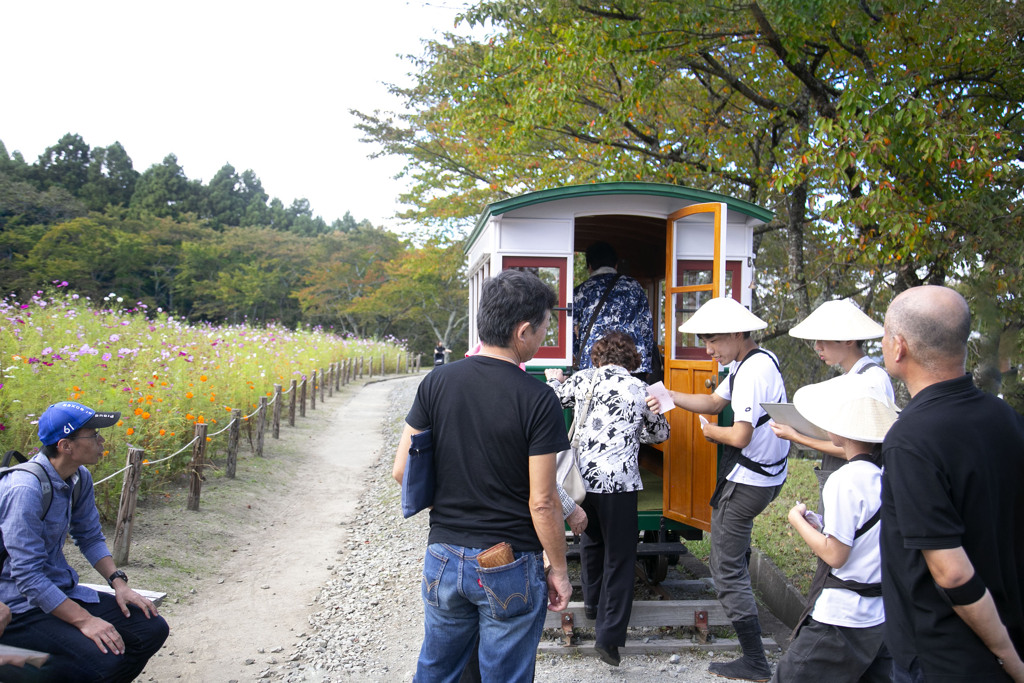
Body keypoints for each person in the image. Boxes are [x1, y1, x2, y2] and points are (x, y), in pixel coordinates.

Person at [392, 269, 572, 683]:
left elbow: (402, 470)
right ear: (523, 331)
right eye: (545, 329)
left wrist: (455, 508)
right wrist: (559, 570)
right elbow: (543, 501)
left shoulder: (437, 381)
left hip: (442, 554)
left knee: (437, 670)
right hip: (509, 561)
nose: (544, 338)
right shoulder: (538, 399)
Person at [880, 285, 1024, 682]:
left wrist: (1006, 654)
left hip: (944, 656)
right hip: (1009, 626)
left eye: (884, 334)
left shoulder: (910, 439)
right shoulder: (1005, 418)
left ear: (899, 346)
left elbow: (952, 572)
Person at [648, 297, 788, 682]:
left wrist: (711, 433)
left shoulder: (751, 372)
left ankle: (754, 659)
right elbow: (712, 400)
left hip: (747, 481)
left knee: (724, 567)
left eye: (713, 340)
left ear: (738, 333)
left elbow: (739, 435)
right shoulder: (756, 361)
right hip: (768, 476)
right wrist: (672, 397)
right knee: (734, 557)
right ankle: (753, 647)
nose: (708, 349)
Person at [0, 401, 169, 682]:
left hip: (58, 591)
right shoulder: (25, 489)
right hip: (17, 604)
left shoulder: (79, 477)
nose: (102, 441)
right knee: (100, 658)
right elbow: (27, 576)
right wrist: (86, 621)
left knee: (150, 628)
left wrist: (119, 583)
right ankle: (10, 663)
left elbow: (89, 536)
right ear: (66, 445)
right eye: (94, 435)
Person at [544, 331, 669, 667]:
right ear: (632, 360)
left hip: (582, 482)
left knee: (591, 540)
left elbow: (554, 397)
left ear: (597, 356)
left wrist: (555, 378)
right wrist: (639, 425)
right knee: (621, 557)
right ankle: (609, 638)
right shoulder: (642, 390)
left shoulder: (583, 379)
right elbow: (659, 434)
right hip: (620, 484)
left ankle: (591, 603)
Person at [772, 373, 897, 682]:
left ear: (843, 428)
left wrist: (797, 521)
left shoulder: (844, 479)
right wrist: (822, 525)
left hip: (843, 619)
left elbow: (836, 554)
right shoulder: (883, 477)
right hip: (880, 619)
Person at [771, 298, 895, 502]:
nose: (817, 346)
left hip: (856, 493)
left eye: (824, 339)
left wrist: (797, 436)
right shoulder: (851, 378)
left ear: (848, 340)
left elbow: (854, 450)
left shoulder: (871, 381)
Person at [573, 241, 655, 377]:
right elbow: (646, 328)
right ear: (616, 265)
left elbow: (568, 327)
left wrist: (580, 352)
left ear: (590, 266)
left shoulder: (582, 291)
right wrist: (646, 360)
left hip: (593, 363)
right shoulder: (634, 287)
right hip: (631, 363)